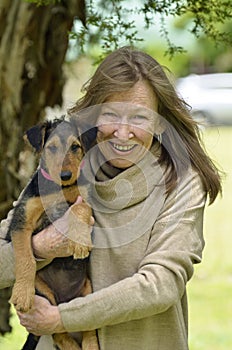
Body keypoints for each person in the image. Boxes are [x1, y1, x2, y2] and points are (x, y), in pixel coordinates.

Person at [0, 46, 222, 350]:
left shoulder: (181, 181)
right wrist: (42, 245)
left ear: (159, 122)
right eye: (111, 114)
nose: (123, 131)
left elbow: (160, 284)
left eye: (140, 117)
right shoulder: (64, 165)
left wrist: (61, 318)